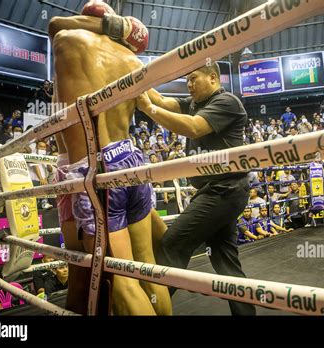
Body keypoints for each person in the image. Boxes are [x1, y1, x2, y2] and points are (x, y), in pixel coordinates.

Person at [48, 1, 170, 315]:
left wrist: (113, 26)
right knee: (146, 265)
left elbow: (55, 25)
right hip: (130, 158)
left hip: (96, 168)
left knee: (120, 278)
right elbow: (164, 104)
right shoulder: (130, 60)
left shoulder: (69, 40)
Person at [137, 61, 256, 315]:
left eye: (193, 79)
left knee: (173, 244)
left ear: (213, 78)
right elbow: (161, 100)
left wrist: (148, 109)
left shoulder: (227, 102)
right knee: (225, 261)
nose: (189, 85)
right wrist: (136, 75)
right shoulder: (194, 103)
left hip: (225, 189)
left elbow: (193, 128)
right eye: (187, 80)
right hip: (217, 190)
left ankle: (151, 310)